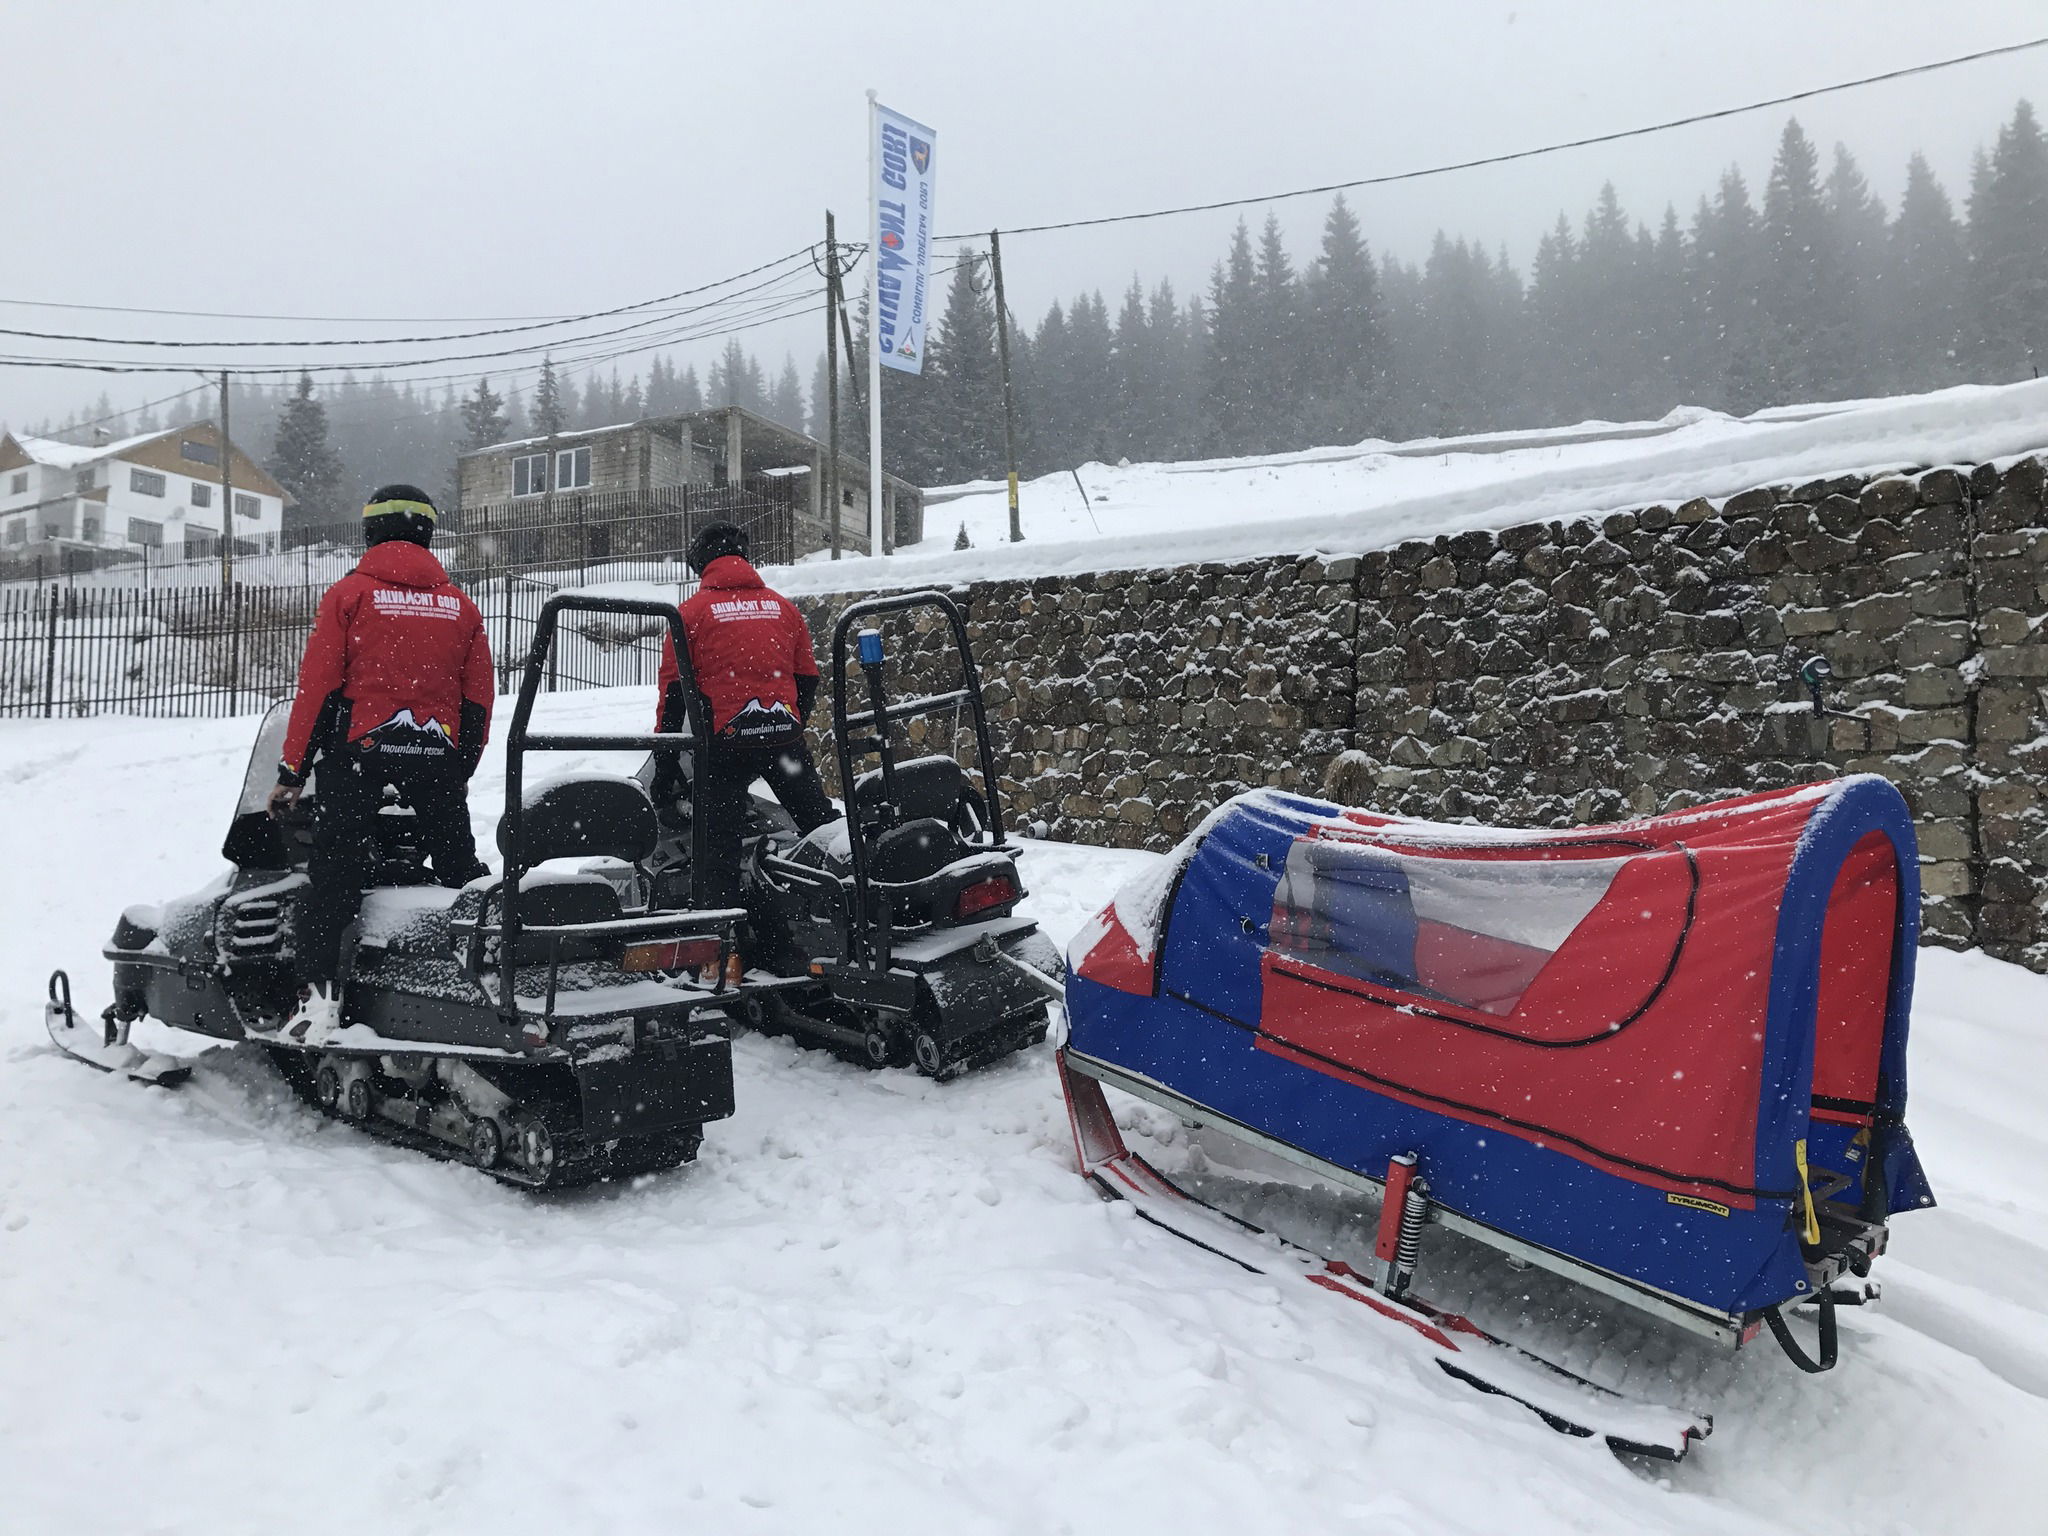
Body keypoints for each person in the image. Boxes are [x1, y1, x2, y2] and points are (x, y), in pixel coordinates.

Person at [265, 485, 495, 1041]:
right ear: (427, 533)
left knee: (335, 875)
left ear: (370, 531)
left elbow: (318, 688)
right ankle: (491, 977)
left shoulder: (350, 595)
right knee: (459, 868)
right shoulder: (459, 605)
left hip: (359, 753)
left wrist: (293, 771)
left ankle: (318, 1002)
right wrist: (458, 765)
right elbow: (478, 698)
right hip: (434, 751)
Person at [653, 521, 835, 923]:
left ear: (701, 564)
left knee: (717, 850)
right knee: (822, 827)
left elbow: (673, 699)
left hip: (723, 745)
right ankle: (854, 906)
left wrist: (665, 770)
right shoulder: (782, 607)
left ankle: (719, 941)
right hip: (782, 740)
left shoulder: (691, 614)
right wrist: (788, 724)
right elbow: (808, 677)